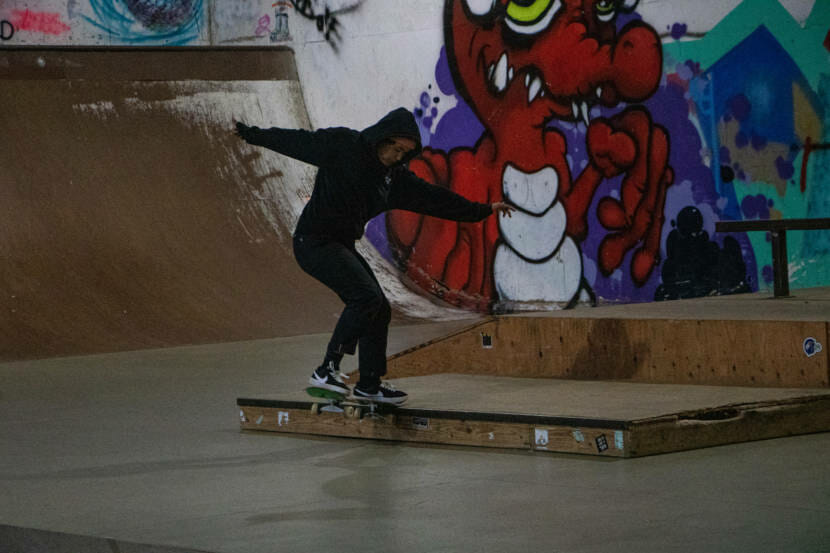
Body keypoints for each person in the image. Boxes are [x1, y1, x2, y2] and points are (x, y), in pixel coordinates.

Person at [235, 107, 514, 404]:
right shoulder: (344, 145)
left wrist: (481, 210)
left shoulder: (394, 180)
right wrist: (252, 134)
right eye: (394, 147)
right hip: (313, 242)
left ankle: (369, 384)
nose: (396, 156)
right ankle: (327, 368)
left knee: (379, 308)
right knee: (365, 297)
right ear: (382, 137)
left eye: (404, 152)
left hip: (341, 245)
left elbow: (435, 199)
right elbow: (297, 141)